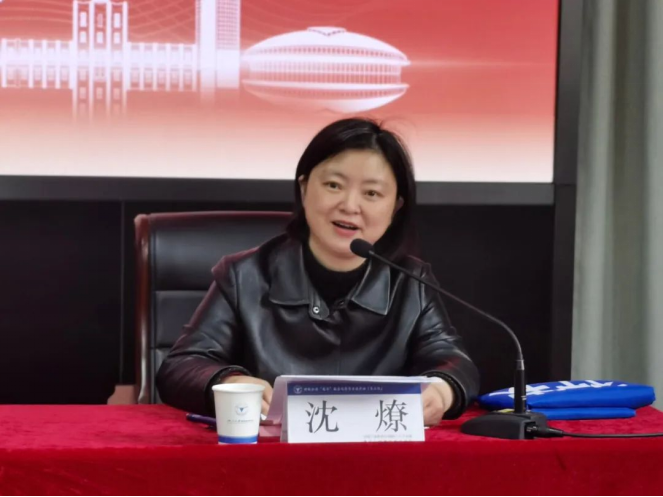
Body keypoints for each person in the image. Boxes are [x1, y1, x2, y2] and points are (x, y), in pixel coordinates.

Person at [157, 118, 480, 426]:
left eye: (371, 193)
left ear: (395, 207)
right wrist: (231, 382)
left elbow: (453, 361)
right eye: (333, 185)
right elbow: (181, 366)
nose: (350, 205)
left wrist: (441, 390)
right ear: (304, 188)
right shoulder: (245, 276)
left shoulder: (410, 282)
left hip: (376, 452)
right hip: (271, 453)